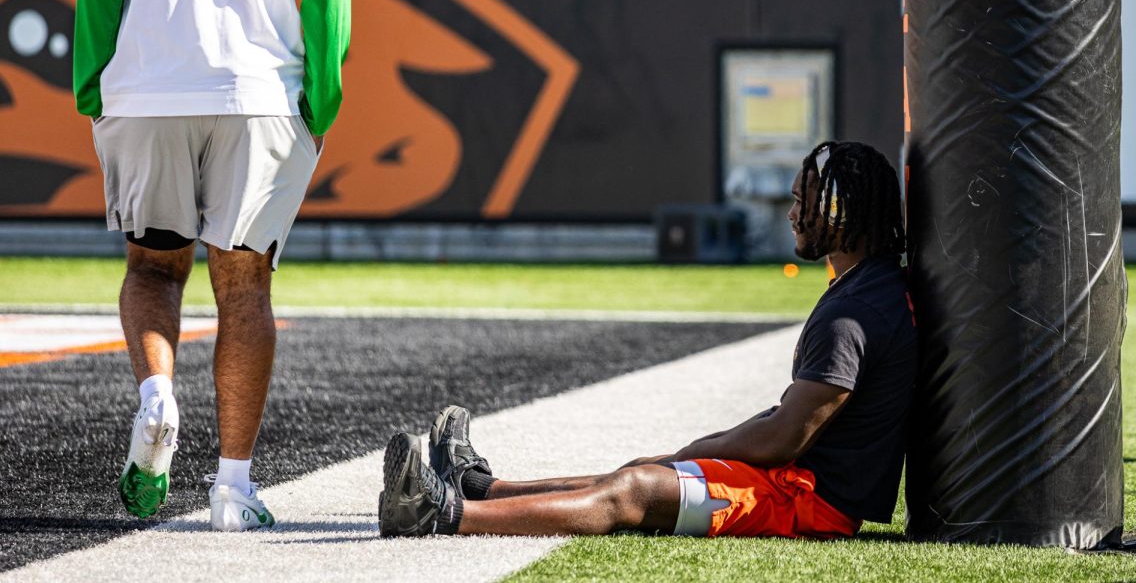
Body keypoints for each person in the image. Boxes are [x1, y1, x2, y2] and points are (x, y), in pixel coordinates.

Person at [378, 141, 916, 539]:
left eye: (806, 201)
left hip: (806, 504)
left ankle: (441, 513)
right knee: (643, 472)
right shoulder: (869, 286)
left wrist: (699, 449)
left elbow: (783, 440)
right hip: (797, 484)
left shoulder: (855, 311)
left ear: (841, 213)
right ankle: (478, 489)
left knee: (635, 490)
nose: (794, 213)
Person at [72, 0, 350, 531]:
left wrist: (92, 79)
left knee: (151, 268)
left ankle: (158, 399)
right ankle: (232, 488)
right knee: (245, 288)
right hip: (260, 93)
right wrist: (322, 97)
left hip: (147, 88)